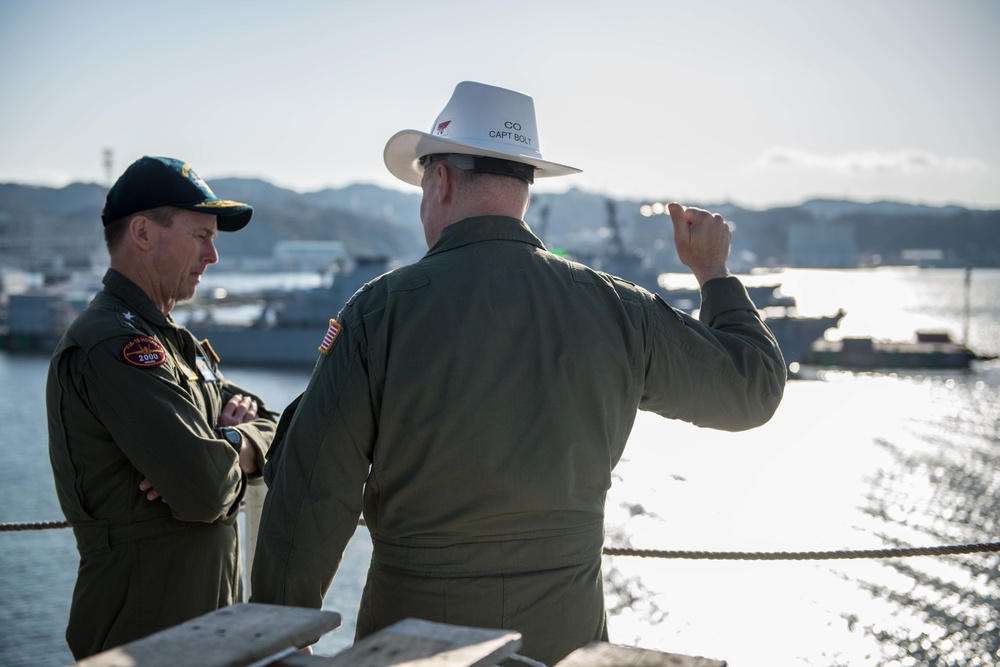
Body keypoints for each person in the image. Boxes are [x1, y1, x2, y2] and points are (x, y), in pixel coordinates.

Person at [251, 82, 786, 664]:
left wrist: (281, 632)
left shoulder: (380, 312)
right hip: (565, 642)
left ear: (441, 181)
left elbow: (313, 491)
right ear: (524, 189)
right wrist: (715, 274)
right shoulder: (617, 308)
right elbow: (751, 391)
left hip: (416, 646)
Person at [46, 156, 278, 659]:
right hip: (142, 638)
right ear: (144, 233)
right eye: (200, 236)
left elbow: (275, 421)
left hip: (206, 629)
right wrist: (217, 458)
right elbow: (203, 489)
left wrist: (233, 443)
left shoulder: (175, 345)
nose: (213, 255)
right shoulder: (115, 345)